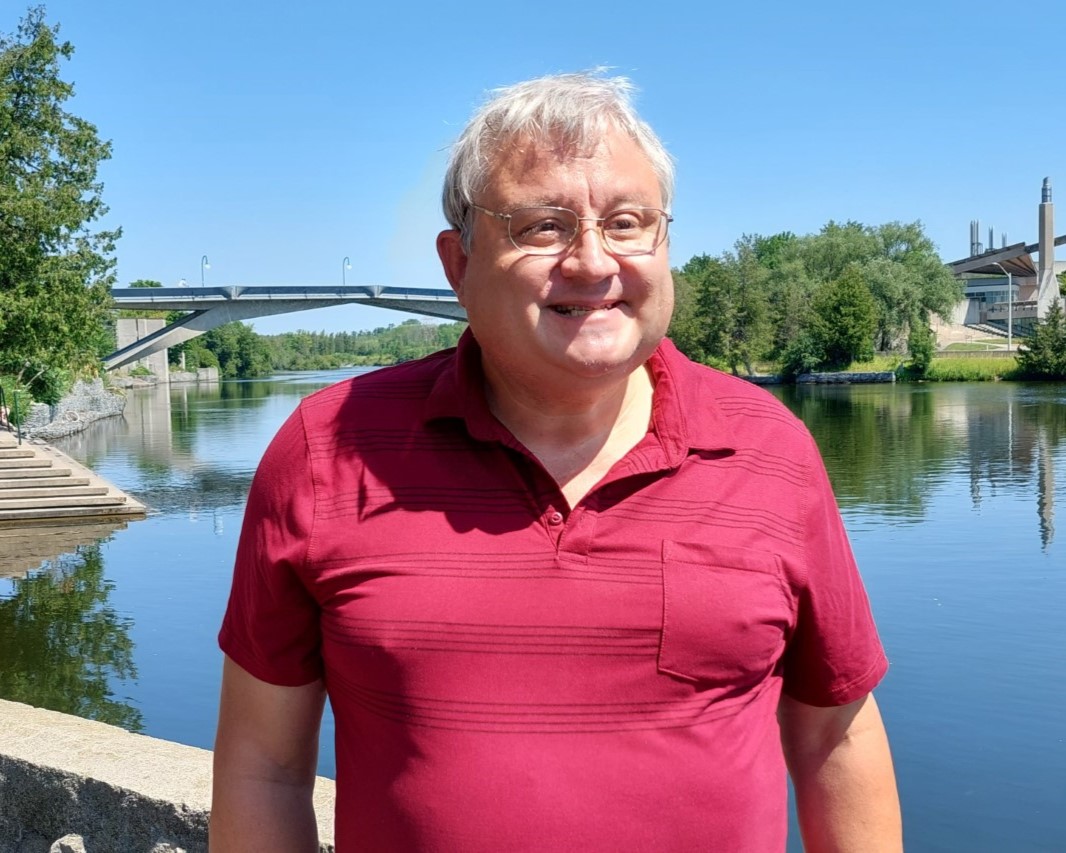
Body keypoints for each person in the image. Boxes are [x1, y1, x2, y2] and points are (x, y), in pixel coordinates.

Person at [210, 72, 901, 852]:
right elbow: (262, 767)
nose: (592, 261)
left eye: (628, 222)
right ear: (457, 263)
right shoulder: (324, 451)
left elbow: (836, 737)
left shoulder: (771, 450)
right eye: (543, 226)